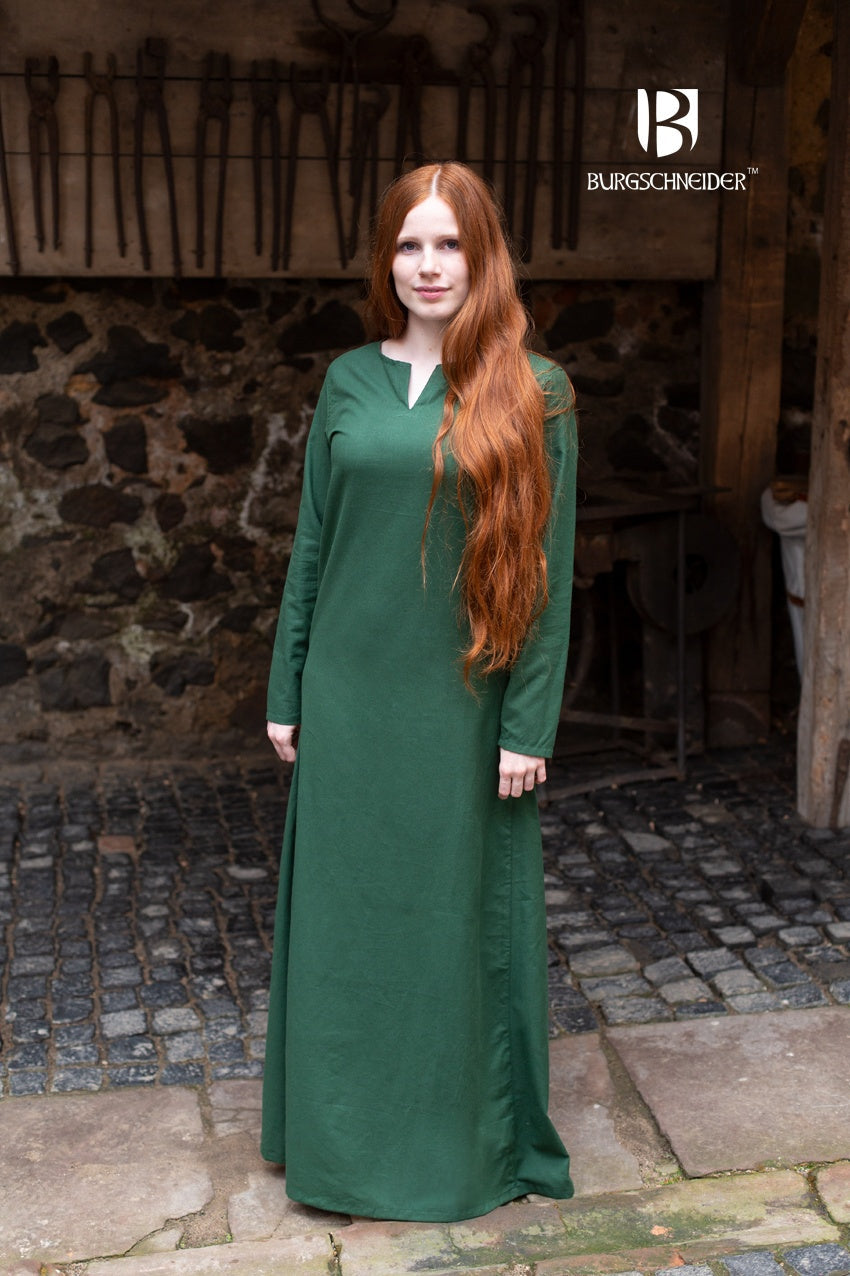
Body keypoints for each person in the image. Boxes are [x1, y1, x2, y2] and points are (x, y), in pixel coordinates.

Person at [263, 161, 578, 1223]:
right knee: (345, 926)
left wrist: (528, 722)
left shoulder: (536, 390)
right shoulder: (347, 379)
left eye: (449, 244)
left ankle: (452, 1153)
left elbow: (546, 572)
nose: (428, 265)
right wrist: (287, 684)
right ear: (385, 259)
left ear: (483, 257)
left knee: (451, 927)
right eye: (409, 244)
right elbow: (313, 543)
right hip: (348, 699)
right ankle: (337, 1145)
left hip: (464, 704)